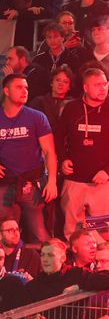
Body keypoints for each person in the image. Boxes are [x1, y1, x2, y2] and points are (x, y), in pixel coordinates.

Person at [56, 67, 109, 234]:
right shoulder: (71, 108)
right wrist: (63, 159)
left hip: (104, 183)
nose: (103, 88)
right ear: (86, 87)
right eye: (97, 85)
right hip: (75, 181)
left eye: (105, 84)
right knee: (72, 232)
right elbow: (58, 137)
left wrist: (108, 171)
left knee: (102, 233)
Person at [0, 73, 56, 242]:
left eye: (26, 88)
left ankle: (50, 266)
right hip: (5, 185)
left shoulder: (36, 117)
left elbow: (49, 151)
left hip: (31, 185)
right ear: (6, 91)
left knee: (41, 234)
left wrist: (52, 181)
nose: (24, 91)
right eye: (19, 87)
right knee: (5, 235)